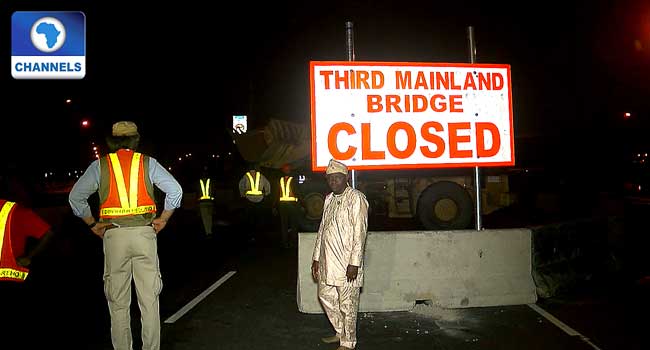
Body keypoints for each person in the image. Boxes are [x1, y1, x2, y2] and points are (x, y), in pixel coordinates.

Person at [68, 120, 183, 350]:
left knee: (118, 303)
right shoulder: (147, 163)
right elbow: (175, 190)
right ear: (135, 139)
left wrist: (92, 224)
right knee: (149, 301)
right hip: (144, 235)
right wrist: (163, 219)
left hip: (114, 237)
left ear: (112, 141)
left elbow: (75, 198)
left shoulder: (99, 166)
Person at [311, 159, 369, 350]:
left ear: (345, 178)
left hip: (346, 264)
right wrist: (316, 258)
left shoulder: (356, 198)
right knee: (325, 296)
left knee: (348, 304)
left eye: (337, 178)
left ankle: (349, 342)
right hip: (328, 261)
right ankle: (339, 331)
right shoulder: (328, 199)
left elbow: (360, 233)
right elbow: (322, 229)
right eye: (330, 179)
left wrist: (354, 263)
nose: (333, 182)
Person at [238, 163, 271, 242]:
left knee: (250, 219)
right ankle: (258, 235)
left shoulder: (246, 176)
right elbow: (267, 185)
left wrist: (243, 194)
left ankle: (252, 236)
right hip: (259, 200)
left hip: (249, 200)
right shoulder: (261, 176)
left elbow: (241, 185)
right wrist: (266, 193)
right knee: (258, 219)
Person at [276, 163, 302, 248]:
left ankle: (285, 243)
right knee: (293, 224)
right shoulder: (293, 180)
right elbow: (298, 192)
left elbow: (277, 193)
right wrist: (302, 204)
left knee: (284, 225)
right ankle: (293, 243)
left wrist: (275, 205)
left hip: (282, 205)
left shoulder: (280, 180)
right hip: (292, 205)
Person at [198, 165, 215, 237]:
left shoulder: (199, 182)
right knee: (209, 217)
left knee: (204, 218)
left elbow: (198, 193)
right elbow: (213, 191)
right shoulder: (210, 181)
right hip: (209, 202)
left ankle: (207, 232)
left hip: (202, 203)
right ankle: (210, 231)